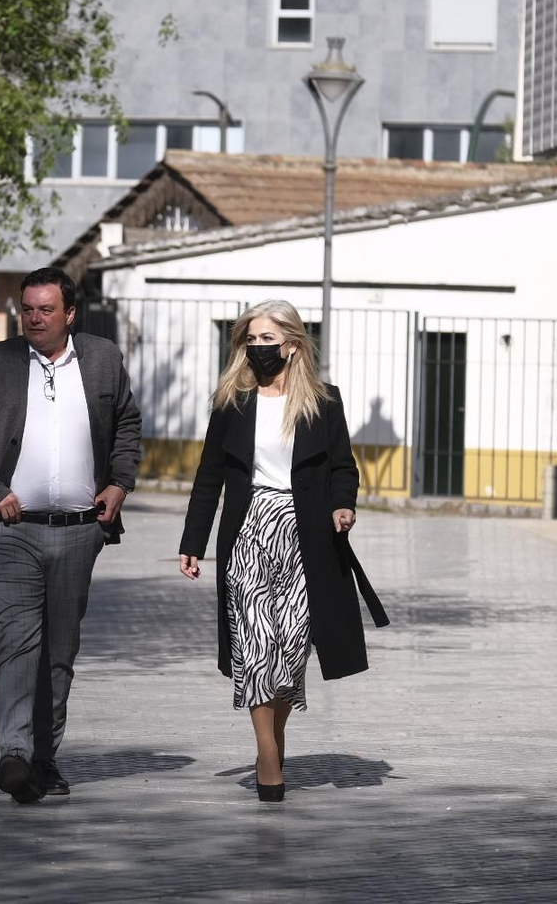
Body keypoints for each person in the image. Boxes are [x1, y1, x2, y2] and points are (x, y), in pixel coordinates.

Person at [178, 299, 388, 803]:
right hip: (248, 530)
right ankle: (268, 755)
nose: (256, 350)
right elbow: (210, 476)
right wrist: (193, 543)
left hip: (304, 534)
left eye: (267, 341)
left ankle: (272, 737)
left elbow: (343, 467)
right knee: (256, 645)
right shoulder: (233, 402)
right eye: (250, 341)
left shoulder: (323, 402)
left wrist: (343, 506)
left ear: (292, 345)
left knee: (291, 647)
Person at [0, 267, 142, 804]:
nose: (34, 318)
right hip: (11, 530)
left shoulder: (102, 359)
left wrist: (120, 483)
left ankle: (44, 759)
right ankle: (13, 753)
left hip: (80, 532)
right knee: (18, 643)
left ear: (69, 314)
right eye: (27, 309)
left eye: (46, 309)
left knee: (58, 653)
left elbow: (127, 423)